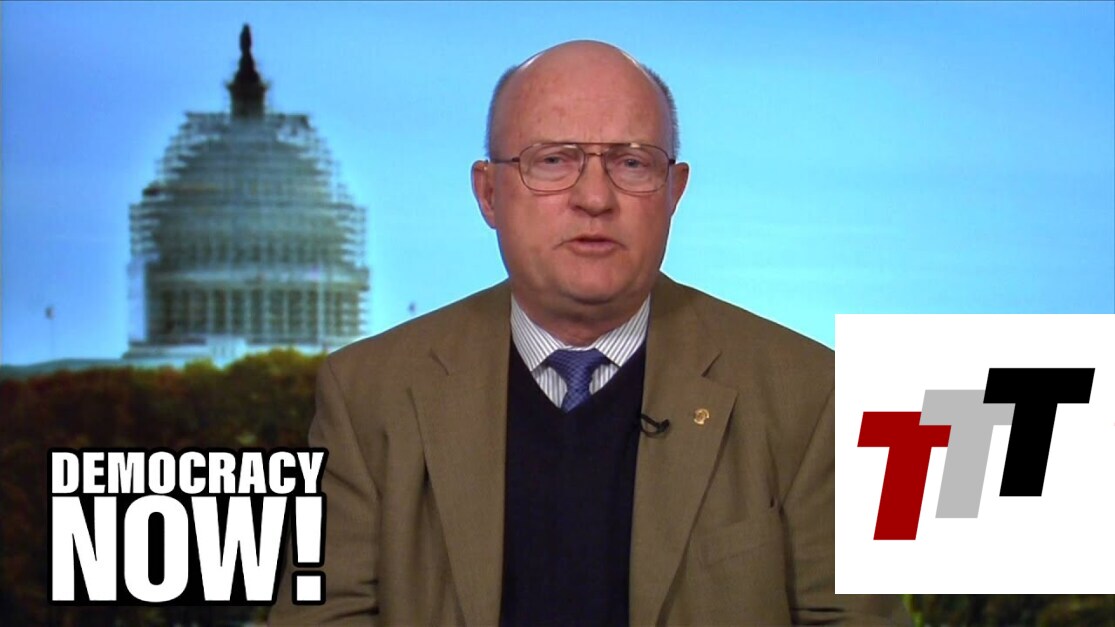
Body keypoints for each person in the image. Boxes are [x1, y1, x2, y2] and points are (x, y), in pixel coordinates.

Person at [271, 40, 909, 625]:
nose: (595, 198)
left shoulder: (812, 394)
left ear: (674, 191)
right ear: (488, 193)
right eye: (554, 161)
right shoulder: (367, 394)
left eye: (632, 163)